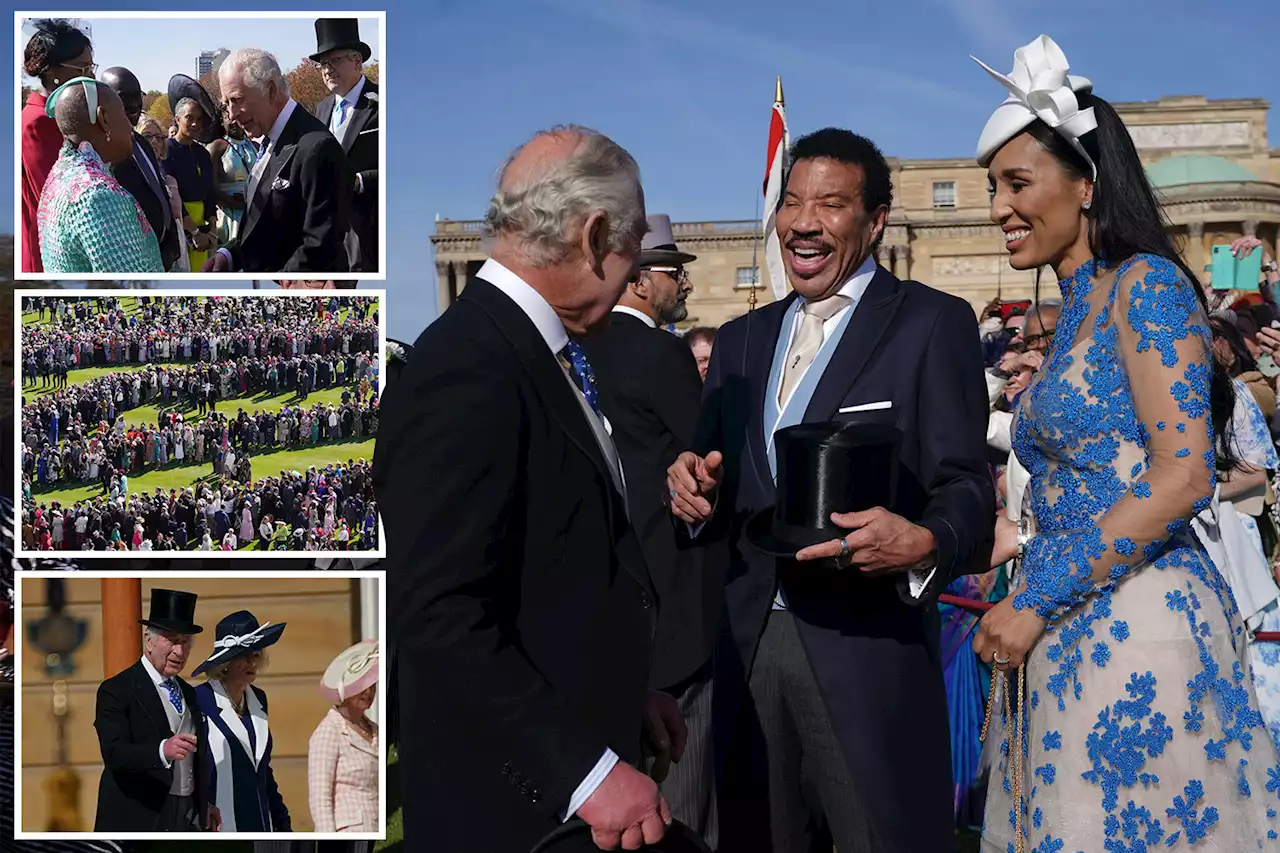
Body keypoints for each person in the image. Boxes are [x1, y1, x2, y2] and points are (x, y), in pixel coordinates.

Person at [967, 35, 1280, 851]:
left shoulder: (1146, 284)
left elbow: (1183, 476)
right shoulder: (1075, 308)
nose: (997, 206)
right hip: (1069, 626)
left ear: (1086, 183)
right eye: (991, 186)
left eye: (1016, 183)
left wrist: (1033, 598)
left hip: (1140, 628)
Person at [667, 127, 993, 852]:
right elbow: (715, 478)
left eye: (830, 204)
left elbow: (968, 490)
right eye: (791, 202)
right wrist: (689, 488)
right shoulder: (742, 340)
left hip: (867, 653)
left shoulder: (931, 323)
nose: (803, 221)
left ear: (875, 220)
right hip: (748, 650)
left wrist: (927, 540)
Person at [373, 126, 684, 853]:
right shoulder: (469, 368)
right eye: (633, 240)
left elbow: (544, 569)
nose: (638, 261)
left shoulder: (531, 351)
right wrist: (583, 770)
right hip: (507, 811)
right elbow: (439, 614)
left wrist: (619, 693)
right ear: (595, 233)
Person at [578, 214, 716, 846]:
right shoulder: (661, 350)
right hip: (670, 585)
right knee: (681, 780)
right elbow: (707, 455)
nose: (680, 280)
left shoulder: (576, 350)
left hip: (602, 588)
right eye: (671, 270)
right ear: (636, 280)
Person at [206, 48, 351, 273]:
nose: (232, 114)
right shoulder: (269, 138)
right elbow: (263, 226)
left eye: (237, 99)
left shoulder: (317, 148)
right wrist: (229, 255)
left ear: (271, 90)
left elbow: (319, 248)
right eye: (227, 104)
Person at [93, 589, 215, 832]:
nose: (179, 652)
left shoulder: (188, 692)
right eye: (171, 640)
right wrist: (162, 750)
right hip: (140, 815)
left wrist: (205, 804)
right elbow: (114, 752)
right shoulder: (116, 690)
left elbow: (197, 759)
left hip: (189, 814)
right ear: (149, 641)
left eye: (185, 642)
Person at [36, 79, 163, 273]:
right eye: (122, 115)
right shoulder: (98, 195)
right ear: (103, 118)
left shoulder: (60, 176)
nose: (131, 127)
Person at [192, 610, 290, 832]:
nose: (251, 662)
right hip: (217, 827)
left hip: (261, 825)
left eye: (255, 654)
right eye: (243, 655)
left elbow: (263, 771)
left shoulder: (259, 699)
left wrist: (282, 821)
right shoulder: (199, 700)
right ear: (224, 662)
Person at [21, 19, 93, 274]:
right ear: (54, 73)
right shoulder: (39, 122)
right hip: (49, 257)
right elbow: (60, 197)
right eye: (83, 68)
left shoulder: (55, 114)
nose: (90, 77)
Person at [311, 18, 379, 272]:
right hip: (327, 234)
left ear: (357, 61)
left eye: (335, 61)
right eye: (323, 64)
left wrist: (360, 181)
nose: (327, 70)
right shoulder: (321, 109)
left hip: (368, 231)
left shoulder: (380, 103)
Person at [101, 66, 180, 271]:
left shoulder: (143, 143)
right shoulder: (102, 153)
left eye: (138, 97)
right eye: (125, 99)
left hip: (163, 257)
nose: (135, 106)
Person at [307, 639, 379, 846]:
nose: (368, 692)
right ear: (345, 691)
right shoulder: (328, 732)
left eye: (372, 686)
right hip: (344, 836)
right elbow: (320, 800)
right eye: (361, 686)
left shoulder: (375, 730)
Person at [164, 75, 222, 271]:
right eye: (190, 118)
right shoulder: (167, 150)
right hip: (180, 226)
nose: (195, 124)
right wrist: (194, 232)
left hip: (204, 230)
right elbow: (172, 195)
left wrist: (212, 228)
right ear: (177, 119)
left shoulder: (203, 153)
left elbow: (210, 192)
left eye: (199, 119)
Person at [207, 119, 257, 246]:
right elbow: (208, 186)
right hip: (229, 214)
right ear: (221, 120)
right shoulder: (216, 147)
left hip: (253, 211)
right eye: (227, 116)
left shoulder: (254, 146)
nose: (234, 122)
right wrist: (230, 201)